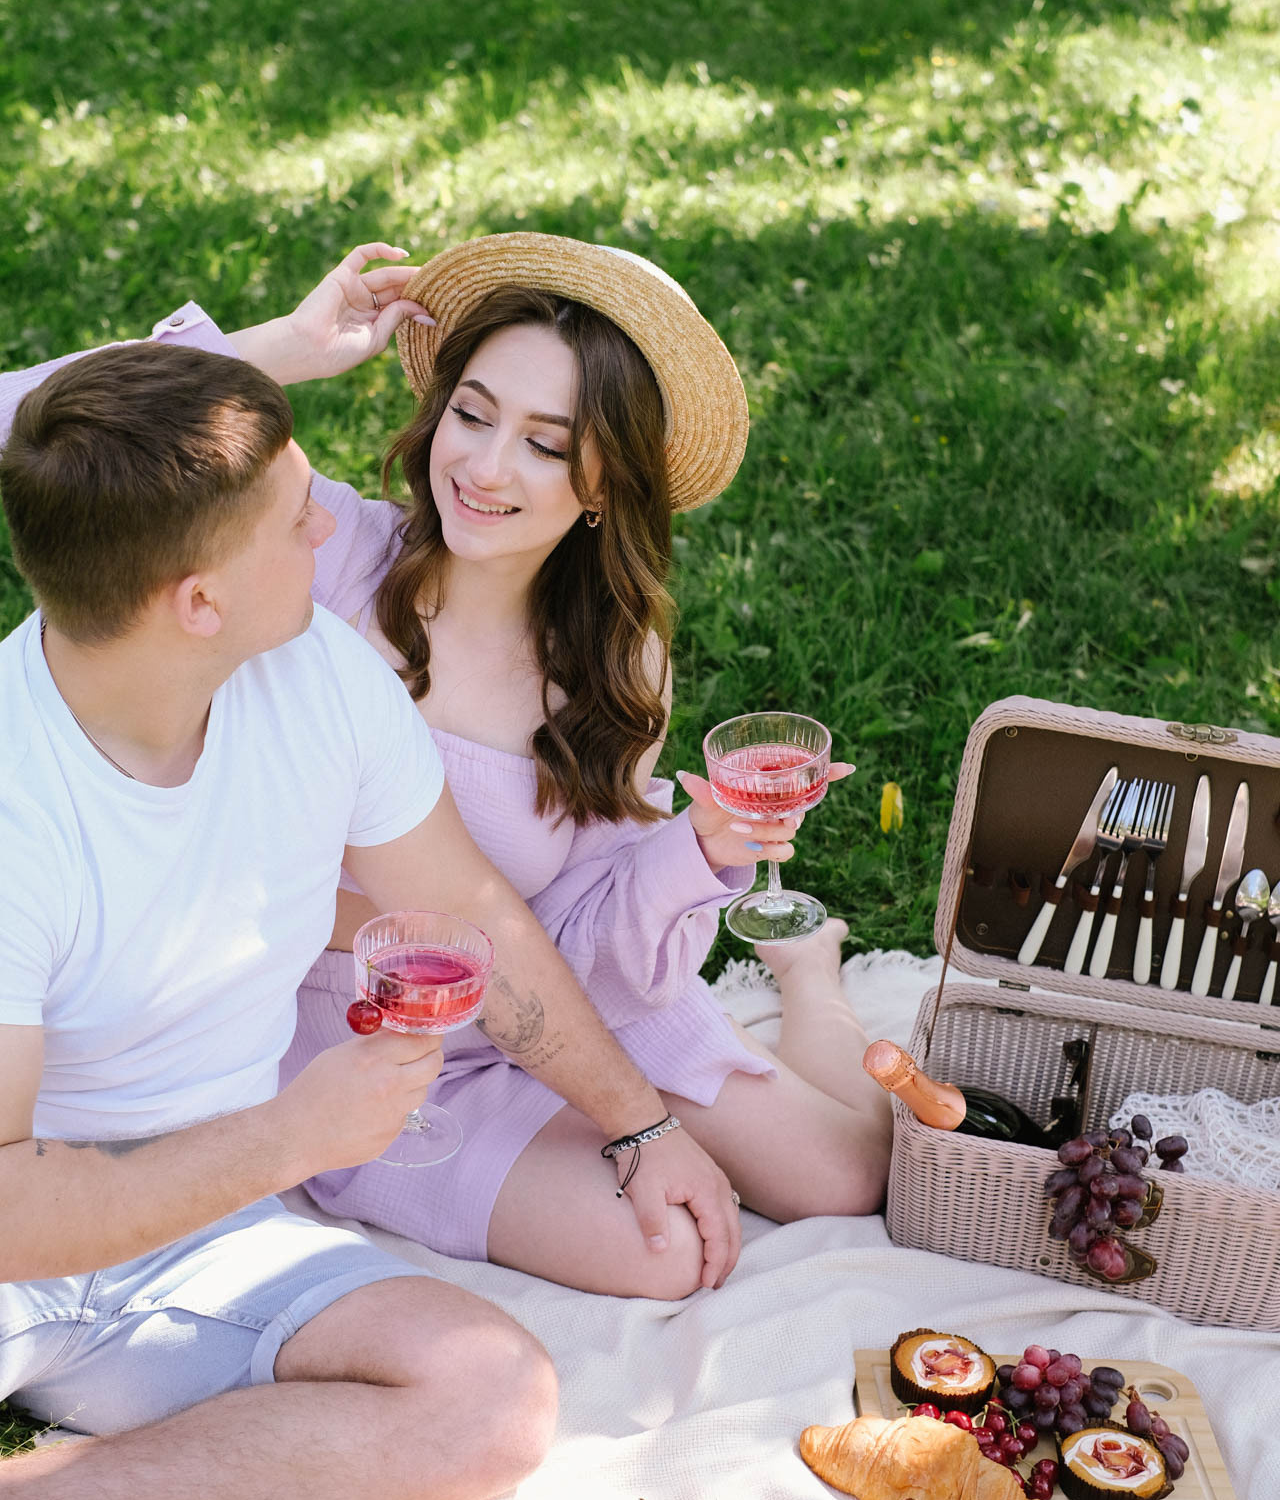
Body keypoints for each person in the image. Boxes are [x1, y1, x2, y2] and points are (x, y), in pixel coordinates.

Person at [0, 326, 738, 1500]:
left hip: (203, 1239)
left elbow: (477, 922)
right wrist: (294, 1134)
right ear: (198, 603)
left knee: (494, 1400)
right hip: (32, 1228)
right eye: (295, 519)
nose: (333, 533)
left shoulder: (324, 677)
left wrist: (637, 1120)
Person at [226, 235, 895, 1298]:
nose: (485, 469)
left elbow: (579, 934)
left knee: (849, 1172)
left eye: (545, 444)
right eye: (473, 414)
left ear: (602, 486)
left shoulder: (615, 658)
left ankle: (811, 978)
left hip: (554, 998)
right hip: (348, 1035)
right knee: (664, 1252)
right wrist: (283, 349)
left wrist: (700, 843)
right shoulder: (323, 557)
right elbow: (74, 428)